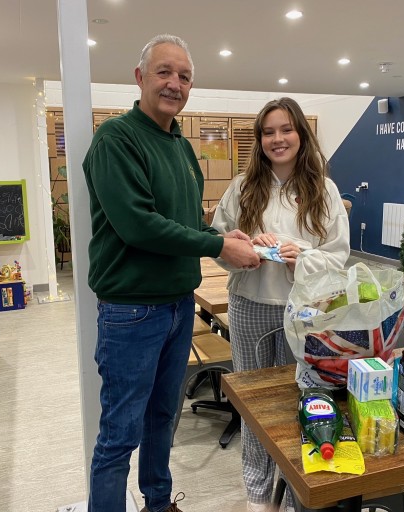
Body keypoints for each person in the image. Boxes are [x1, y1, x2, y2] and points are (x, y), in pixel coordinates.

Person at [82, 34, 259, 512]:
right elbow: (138, 225)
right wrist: (215, 243)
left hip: (179, 305)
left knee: (163, 418)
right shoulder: (116, 139)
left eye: (184, 76)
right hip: (131, 312)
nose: (174, 83)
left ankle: (158, 504)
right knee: (120, 432)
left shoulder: (180, 144)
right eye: (164, 72)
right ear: (140, 77)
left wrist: (227, 236)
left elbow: (181, 223)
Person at [211, 97, 350, 512]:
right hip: (250, 305)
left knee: (300, 403)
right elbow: (218, 245)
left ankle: (293, 498)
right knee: (255, 409)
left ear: (301, 135)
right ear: (259, 140)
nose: (277, 139)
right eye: (268, 132)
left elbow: (338, 257)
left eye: (286, 129)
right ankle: (258, 498)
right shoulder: (242, 187)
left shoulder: (323, 190)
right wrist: (244, 245)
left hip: (305, 313)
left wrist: (301, 253)